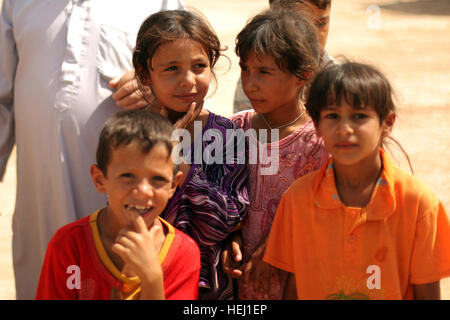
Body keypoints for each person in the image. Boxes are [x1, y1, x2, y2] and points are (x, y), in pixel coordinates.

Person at [0, 0, 185, 299]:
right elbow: (2, 96)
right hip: (40, 198)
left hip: (127, 194)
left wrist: (154, 85)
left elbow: (188, 72)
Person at [264, 61, 450, 300]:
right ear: (317, 126)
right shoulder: (298, 199)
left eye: (359, 116)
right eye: (332, 115)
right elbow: (294, 287)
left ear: (387, 123)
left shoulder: (418, 203)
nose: (344, 128)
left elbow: (428, 294)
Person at [132, 10, 249, 300]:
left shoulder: (227, 136)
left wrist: (179, 156)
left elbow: (222, 224)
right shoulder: (130, 136)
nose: (188, 80)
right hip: (144, 280)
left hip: (210, 290)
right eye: (171, 68)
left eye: (198, 66)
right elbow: (129, 213)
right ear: (145, 73)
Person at [36, 109, 200, 300]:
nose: (144, 191)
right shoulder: (68, 246)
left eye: (158, 179)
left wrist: (152, 280)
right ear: (99, 179)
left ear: (173, 185)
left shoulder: (183, 254)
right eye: (128, 176)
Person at [223, 9, 329, 299]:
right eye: (245, 69)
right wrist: (229, 239)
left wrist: (275, 245)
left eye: (264, 72)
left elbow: (322, 218)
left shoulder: (320, 143)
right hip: (239, 285)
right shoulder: (234, 130)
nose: (250, 83)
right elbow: (224, 201)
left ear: (303, 75)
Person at [233, 0, 333, 113]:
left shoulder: (338, 81)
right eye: (299, 24)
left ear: (304, 75)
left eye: (322, 23)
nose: (314, 33)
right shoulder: (252, 81)